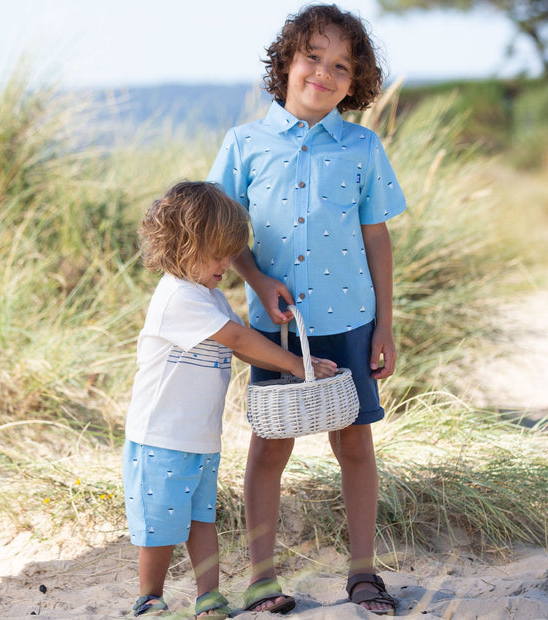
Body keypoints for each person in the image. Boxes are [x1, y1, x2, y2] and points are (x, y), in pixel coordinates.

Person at [207, 4, 406, 616]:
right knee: (270, 446)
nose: (324, 71)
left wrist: (385, 328)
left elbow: (376, 236)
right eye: (313, 57)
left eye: (341, 65)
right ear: (287, 63)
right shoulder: (244, 143)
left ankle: (364, 574)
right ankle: (263, 578)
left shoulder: (361, 147)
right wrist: (259, 279)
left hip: (350, 319)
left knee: (354, 443)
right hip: (278, 328)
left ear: (356, 81)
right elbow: (224, 230)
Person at [122, 181, 337, 618]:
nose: (227, 264)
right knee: (161, 527)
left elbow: (240, 344)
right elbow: (237, 337)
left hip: (201, 438)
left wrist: (281, 336)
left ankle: (208, 595)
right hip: (160, 437)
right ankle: (150, 595)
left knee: (202, 518)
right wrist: (298, 365)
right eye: (218, 254)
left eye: (229, 253)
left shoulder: (211, 296)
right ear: (182, 246)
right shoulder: (177, 298)